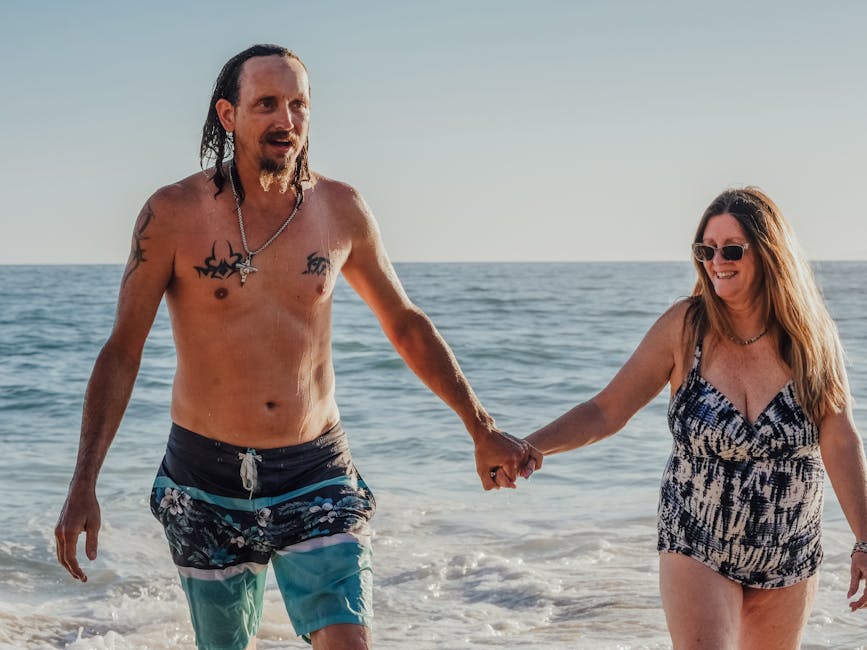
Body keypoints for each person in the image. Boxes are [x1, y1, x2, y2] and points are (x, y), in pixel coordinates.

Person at [55, 44, 541, 650]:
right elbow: (123, 351)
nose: (286, 119)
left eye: (298, 104)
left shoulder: (341, 209)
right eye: (267, 104)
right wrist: (84, 483)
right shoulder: (172, 214)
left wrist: (480, 425)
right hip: (204, 481)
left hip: (316, 470)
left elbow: (406, 323)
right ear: (228, 116)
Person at [524, 187, 867, 648]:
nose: (716, 261)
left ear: (769, 253)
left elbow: (841, 441)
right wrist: (529, 446)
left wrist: (864, 539)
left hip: (789, 548)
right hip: (695, 537)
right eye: (705, 250)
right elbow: (606, 410)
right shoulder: (685, 328)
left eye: (731, 249)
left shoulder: (811, 338)